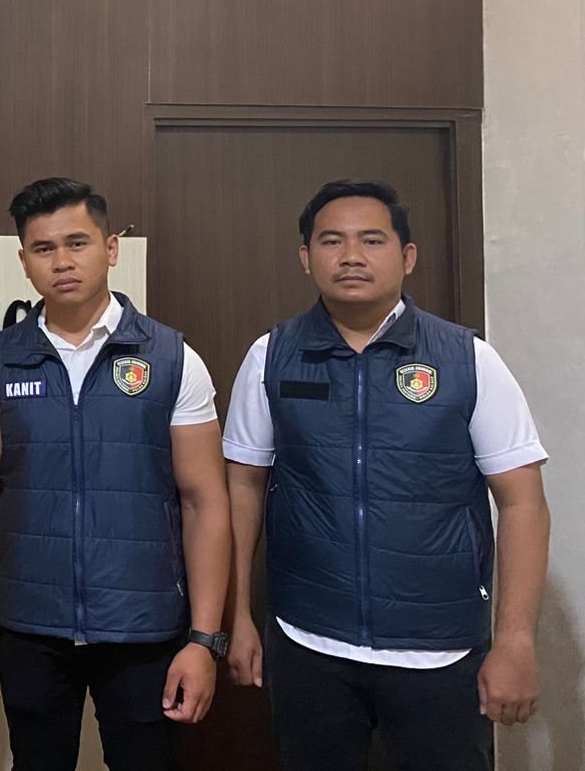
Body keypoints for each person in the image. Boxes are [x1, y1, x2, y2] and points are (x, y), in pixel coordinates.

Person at [223, 180, 550, 771]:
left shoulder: (468, 359)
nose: (351, 256)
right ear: (306, 257)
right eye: (332, 241)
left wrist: (515, 640)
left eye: (372, 240)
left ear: (407, 256)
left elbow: (522, 501)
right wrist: (239, 616)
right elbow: (243, 487)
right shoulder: (271, 356)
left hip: (441, 650)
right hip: (308, 642)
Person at [0, 177, 231, 770]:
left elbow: (204, 500)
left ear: (110, 248)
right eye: (44, 248)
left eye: (76, 243)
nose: (62, 262)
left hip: (144, 629)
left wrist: (204, 640)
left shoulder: (172, 359)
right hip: (33, 627)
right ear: (24, 261)